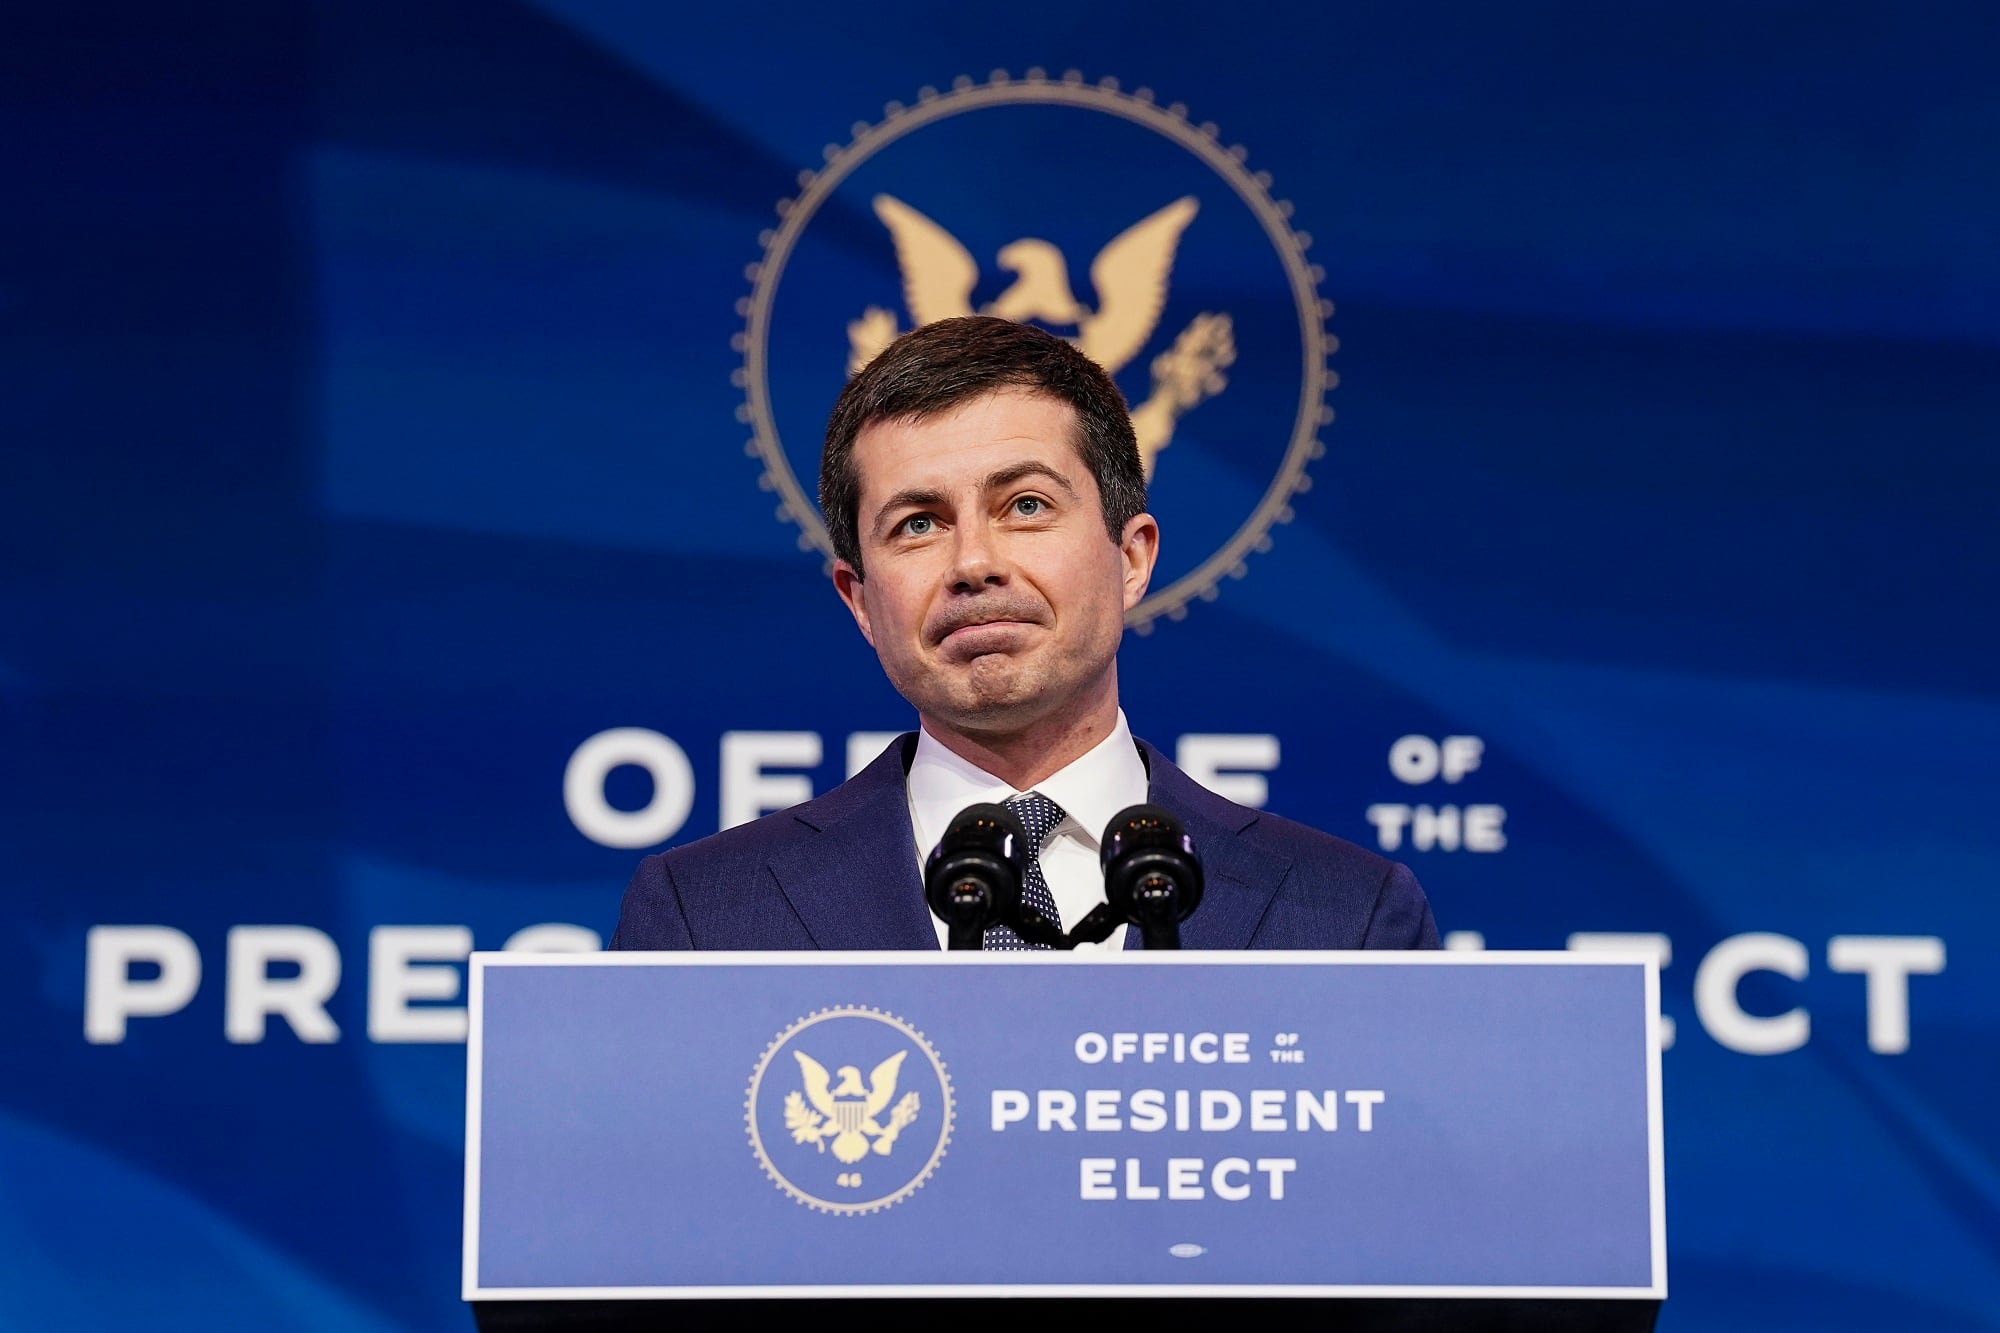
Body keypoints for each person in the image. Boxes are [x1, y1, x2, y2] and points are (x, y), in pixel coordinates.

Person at [611, 316, 1438, 952]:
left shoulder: (1346, 916)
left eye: (1027, 506)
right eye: (918, 523)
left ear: (1132, 555)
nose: (974, 562)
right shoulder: (703, 915)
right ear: (859, 599)